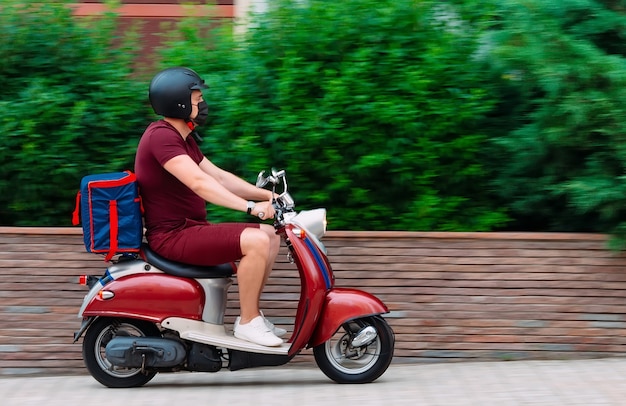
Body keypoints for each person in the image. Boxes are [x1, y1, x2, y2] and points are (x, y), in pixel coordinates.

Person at [134, 67, 284, 347]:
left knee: (271, 236)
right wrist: (251, 208)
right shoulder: (161, 137)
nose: (202, 105)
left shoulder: (182, 139)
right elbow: (200, 183)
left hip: (190, 230)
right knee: (255, 241)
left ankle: (251, 317)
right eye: (197, 98)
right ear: (178, 101)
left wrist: (266, 196)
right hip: (172, 236)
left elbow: (219, 176)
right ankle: (249, 321)